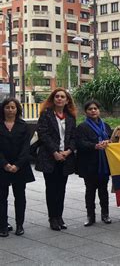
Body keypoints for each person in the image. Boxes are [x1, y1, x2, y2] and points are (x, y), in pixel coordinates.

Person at [36, 88, 77, 231]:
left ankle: (60, 216)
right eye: (57, 96)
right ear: (53, 99)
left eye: (62, 97)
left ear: (67, 101)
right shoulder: (46, 115)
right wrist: (54, 152)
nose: (59, 99)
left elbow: (73, 137)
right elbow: (43, 134)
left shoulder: (70, 117)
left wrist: (68, 151)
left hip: (65, 157)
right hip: (49, 157)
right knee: (51, 189)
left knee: (62, 189)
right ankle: (52, 218)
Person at [0, 98, 35, 237]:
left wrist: (17, 165)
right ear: (3, 109)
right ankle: (3, 225)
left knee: (20, 196)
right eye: (7, 107)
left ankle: (20, 224)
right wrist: (5, 164)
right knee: (2, 197)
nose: (10, 110)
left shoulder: (23, 126)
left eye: (13, 107)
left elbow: (26, 148)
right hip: (2, 166)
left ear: (17, 109)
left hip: (20, 167)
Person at [75, 100, 112, 227]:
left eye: (95, 108)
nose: (93, 111)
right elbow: (80, 143)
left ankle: (105, 214)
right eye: (90, 109)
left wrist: (108, 143)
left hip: (104, 164)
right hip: (89, 164)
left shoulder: (105, 126)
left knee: (104, 191)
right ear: (86, 112)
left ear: (99, 110)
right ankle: (90, 216)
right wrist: (95, 146)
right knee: (90, 191)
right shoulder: (82, 127)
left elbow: (111, 139)